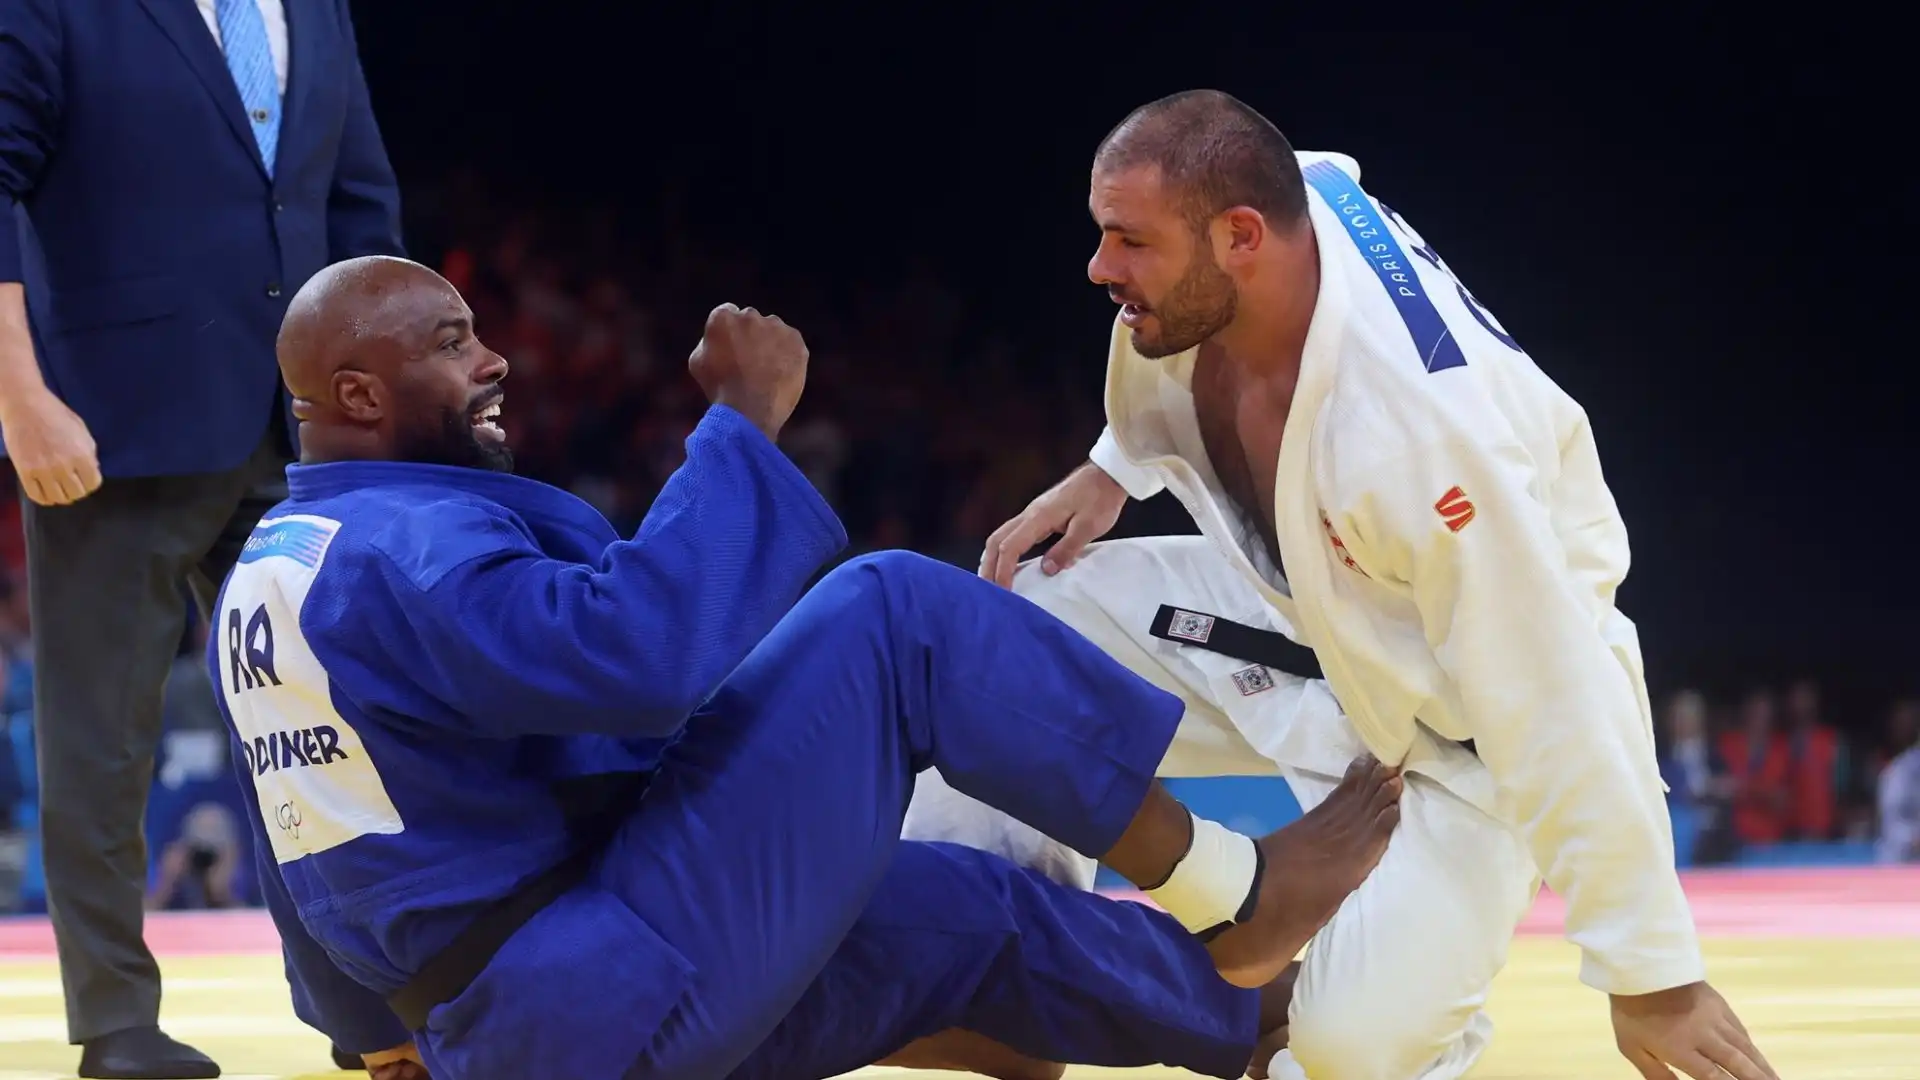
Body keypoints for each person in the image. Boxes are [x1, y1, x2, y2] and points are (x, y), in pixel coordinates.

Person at [209, 254, 1404, 1080]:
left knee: (955, 905)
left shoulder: (278, 573)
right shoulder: (402, 546)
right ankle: (1235, 891)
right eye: (449, 342)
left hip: (530, 1029)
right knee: (894, 615)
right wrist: (739, 426)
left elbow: (297, 838)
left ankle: (1264, 1019)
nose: (492, 360)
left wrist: (372, 1041)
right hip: (604, 992)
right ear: (356, 394)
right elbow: (640, 654)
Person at [977, 89, 1777, 1080]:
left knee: (1346, 1051)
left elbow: (1551, 689)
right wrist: (1114, 467)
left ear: (1239, 238)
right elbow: (1317, 165)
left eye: (1127, 242)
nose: (1101, 267)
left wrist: (1654, 978)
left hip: (1469, 743)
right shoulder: (1282, 205)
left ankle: (1341, 994)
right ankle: (1005, 977)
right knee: (1012, 632)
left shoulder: (1422, 440)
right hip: (1318, 632)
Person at [0, 2, 403, 1075]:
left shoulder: (313, 9)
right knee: (100, 739)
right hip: (107, 423)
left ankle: (369, 1009)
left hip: (299, 428)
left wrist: (392, 408)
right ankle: (115, 1022)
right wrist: (17, 394)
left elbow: (357, 206)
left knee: (332, 729)